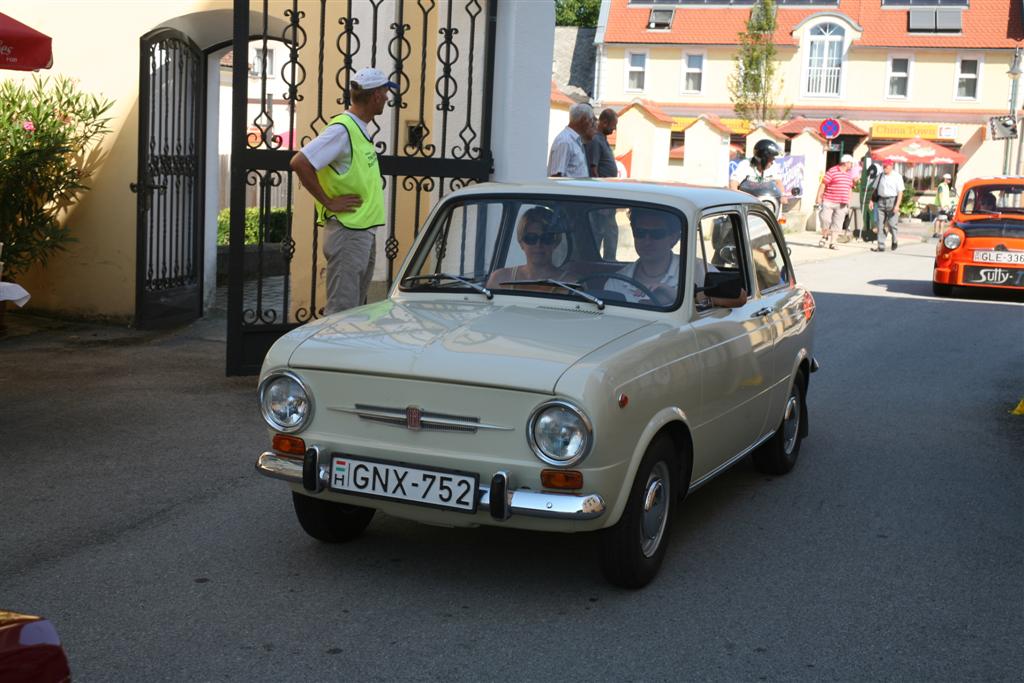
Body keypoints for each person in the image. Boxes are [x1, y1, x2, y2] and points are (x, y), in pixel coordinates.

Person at [290, 67, 397, 315]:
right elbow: (299, 162)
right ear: (375, 97)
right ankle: (329, 355)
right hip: (348, 233)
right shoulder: (343, 130)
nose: (388, 97)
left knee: (352, 312)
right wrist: (329, 201)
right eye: (385, 91)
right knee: (340, 313)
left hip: (360, 231)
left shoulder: (357, 129)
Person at [606, 208, 748, 308]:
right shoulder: (616, 281)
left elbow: (739, 297)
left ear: (674, 238)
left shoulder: (695, 269)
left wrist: (679, 297)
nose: (647, 240)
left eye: (657, 234)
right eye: (640, 232)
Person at [486, 207, 566, 289]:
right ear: (521, 243)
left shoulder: (572, 284)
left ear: (556, 242)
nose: (538, 245)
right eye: (531, 238)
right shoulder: (499, 280)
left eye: (546, 238)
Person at [586, 108, 619, 259]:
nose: (614, 129)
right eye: (613, 125)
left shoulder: (603, 140)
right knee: (600, 232)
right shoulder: (596, 140)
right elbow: (594, 170)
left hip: (609, 199)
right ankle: (598, 262)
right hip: (602, 202)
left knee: (610, 233)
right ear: (604, 122)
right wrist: (600, 198)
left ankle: (609, 261)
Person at [814, 154, 855, 249]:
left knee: (838, 223)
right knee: (825, 219)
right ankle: (824, 236)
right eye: (851, 163)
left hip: (842, 203)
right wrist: (818, 197)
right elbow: (823, 184)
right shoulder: (832, 171)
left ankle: (833, 242)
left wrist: (849, 200)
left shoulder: (849, 175)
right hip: (829, 200)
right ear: (846, 163)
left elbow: (849, 188)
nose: (852, 165)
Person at [547, 103, 595, 178]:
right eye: (591, 121)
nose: (592, 125)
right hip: (568, 190)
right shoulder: (565, 141)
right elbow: (556, 177)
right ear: (584, 120)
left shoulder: (575, 140)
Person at [868, 159, 904, 252]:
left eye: (886, 166)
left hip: (892, 201)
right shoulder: (880, 175)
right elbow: (874, 189)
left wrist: (897, 205)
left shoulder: (897, 176)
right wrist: (871, 201)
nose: (884, 168)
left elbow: (900, 192)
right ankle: (881, 245)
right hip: (880, 201)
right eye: (883, 166)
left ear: (891, 166)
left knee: (892, 224)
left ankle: (895, 239)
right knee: (880, 224)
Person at [932, 172, 954, 237]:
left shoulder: (947, 186)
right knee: (939, 218)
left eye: (950, 179)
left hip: (945, 205)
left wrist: (948, 205)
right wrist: (942, 205)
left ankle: (941, 233)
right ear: (945, 179)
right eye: (948, 179)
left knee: (943, 219)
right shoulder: (941, 186)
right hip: (940, 204)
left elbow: (947, 197)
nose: (949, 180)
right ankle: (936, 232)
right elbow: (940, 196)